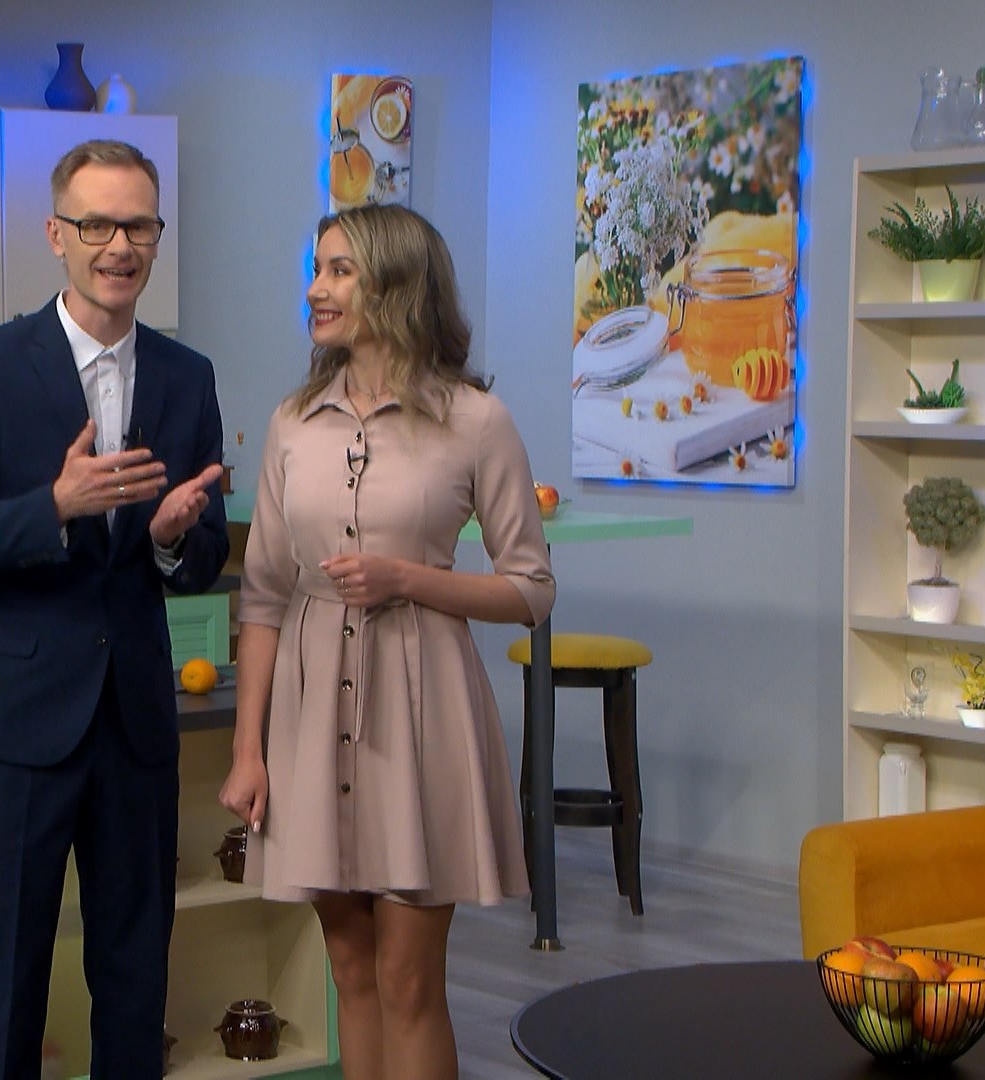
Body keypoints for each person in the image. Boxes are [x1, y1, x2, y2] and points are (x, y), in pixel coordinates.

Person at [0, 139, 229, 1080]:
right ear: (58, 235)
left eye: (138, 226)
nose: (118, 246)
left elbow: (203, 558)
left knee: (135, 984)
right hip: (12, 729)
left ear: (157, 238)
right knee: (7, 987)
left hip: (133, 726)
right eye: (97, 225)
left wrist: (168, 538)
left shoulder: (187, 376)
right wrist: (53, 506)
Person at [217, 204, 554, 1079]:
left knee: (408, 980)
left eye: (339, 271)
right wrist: (248, 752)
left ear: (398, 285)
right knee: (350, 969)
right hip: (306, 718)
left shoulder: (477, 421)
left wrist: (408, 578)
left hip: (421, 714)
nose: (315, 289)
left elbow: (531, 590)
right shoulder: (292, 422)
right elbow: (263, 596)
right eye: (316, 268)